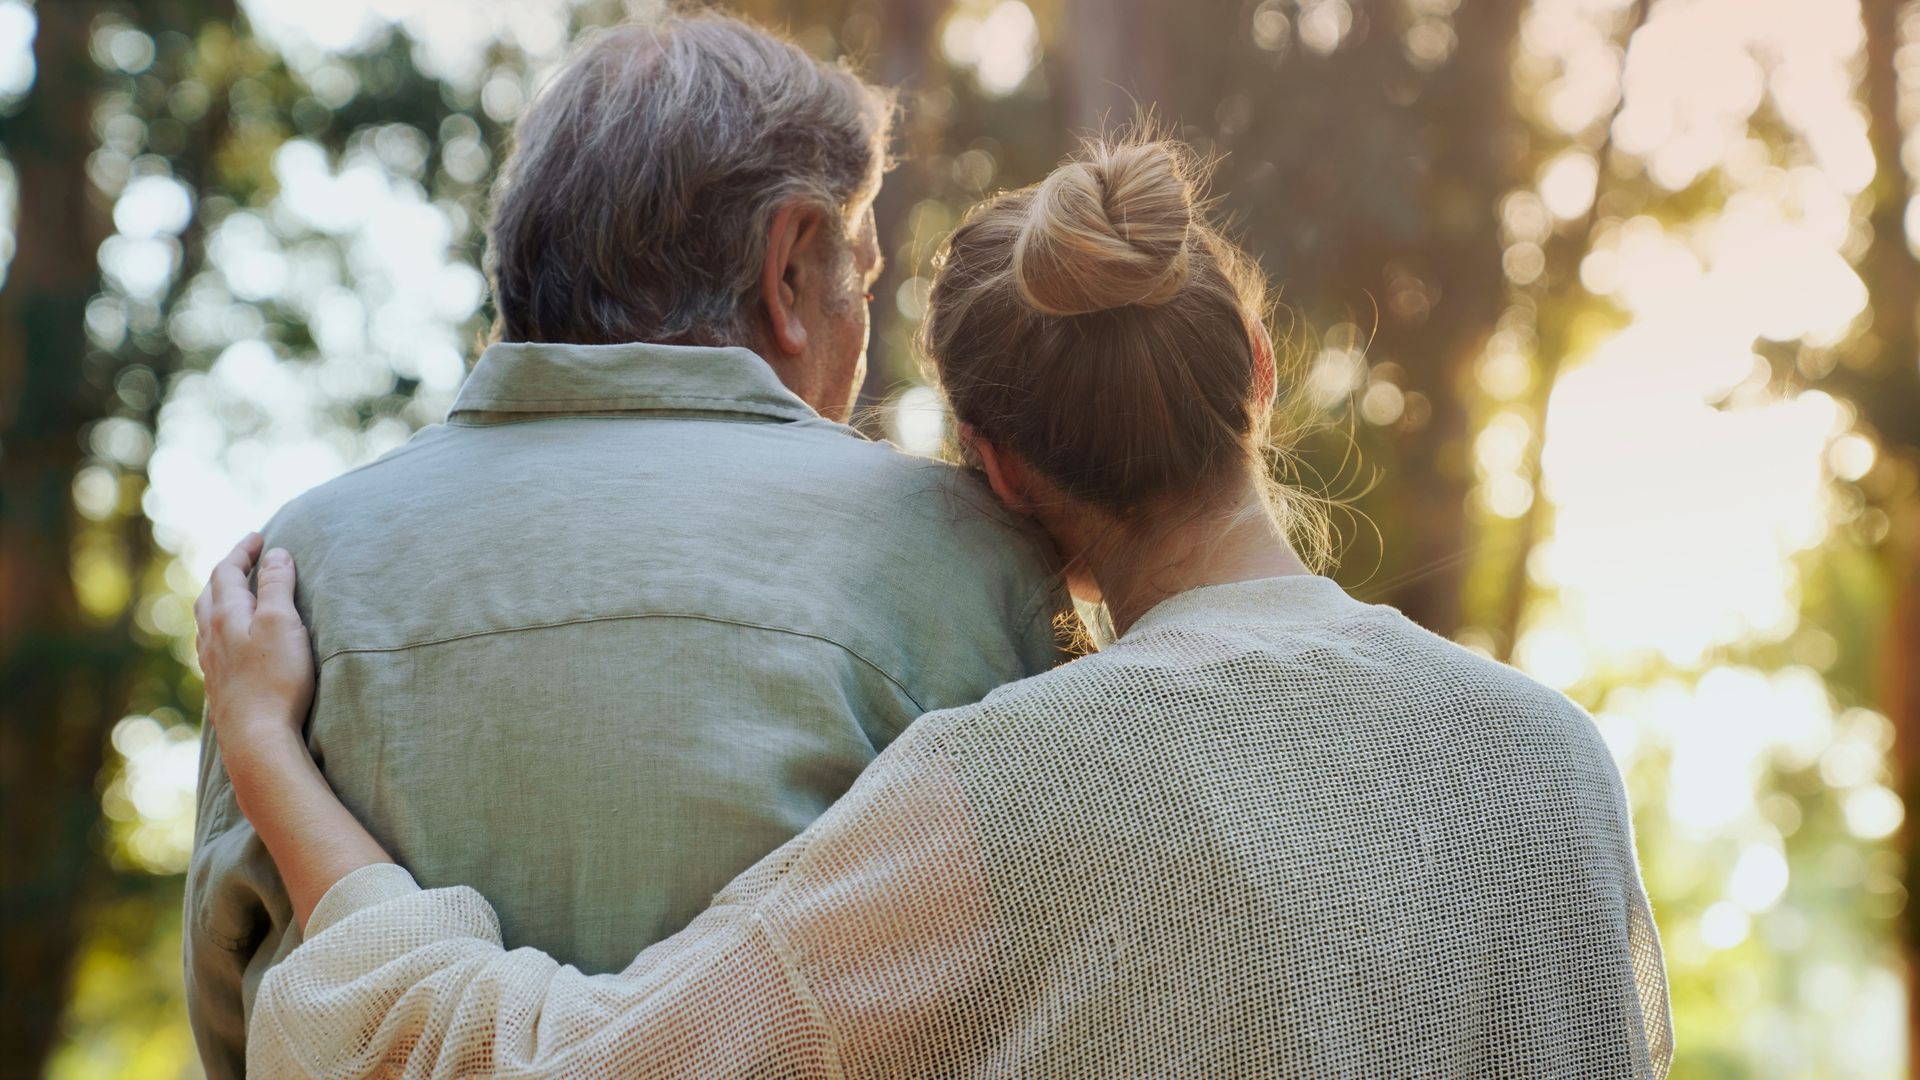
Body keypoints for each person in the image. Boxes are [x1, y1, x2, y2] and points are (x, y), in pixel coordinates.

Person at [197, 139, 1674, 1077]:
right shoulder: (1549, 762)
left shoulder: (998, 794)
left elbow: (551, 1068)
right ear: (1260, 370)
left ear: (997, 474)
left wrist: (269, 747)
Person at [182, 14, 1069, 1077]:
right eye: (864, 282)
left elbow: (239, 1016)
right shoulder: (973, 562)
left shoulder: (290, 576)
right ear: (788, 269)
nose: (860, 320)